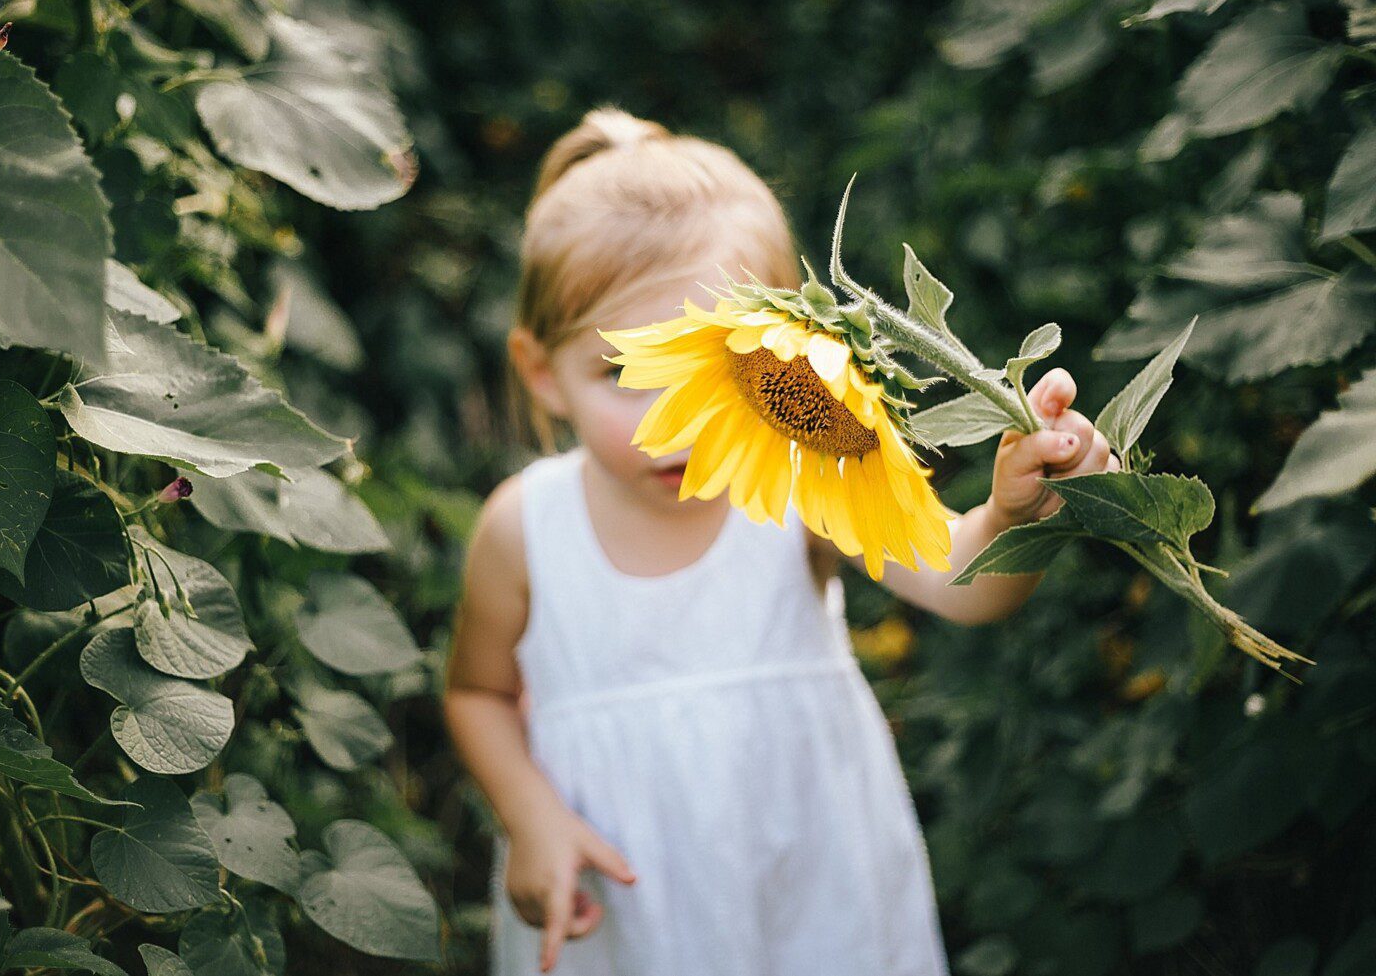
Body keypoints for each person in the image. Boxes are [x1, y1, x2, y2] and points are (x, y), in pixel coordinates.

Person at [442, 106, 1119, 976]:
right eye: (625, 373)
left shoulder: (806, 478)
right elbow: (477, 693)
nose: (676, 424)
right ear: (543, 372)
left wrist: (1011, 517)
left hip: (810, 894)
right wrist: (529, 815)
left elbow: (963, 583)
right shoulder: (526, 529)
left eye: (717, 372)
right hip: (623, 920)